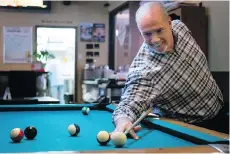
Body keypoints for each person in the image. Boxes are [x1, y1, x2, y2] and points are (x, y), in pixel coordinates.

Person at [112, 2, 224, 139]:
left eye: (159, 30)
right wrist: (123, 120)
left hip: (221, 111)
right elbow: (127, 105)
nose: (155, 39)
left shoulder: (180, 28)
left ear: (170, 23)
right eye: (147, 34)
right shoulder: (144, 71)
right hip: (192, 131)